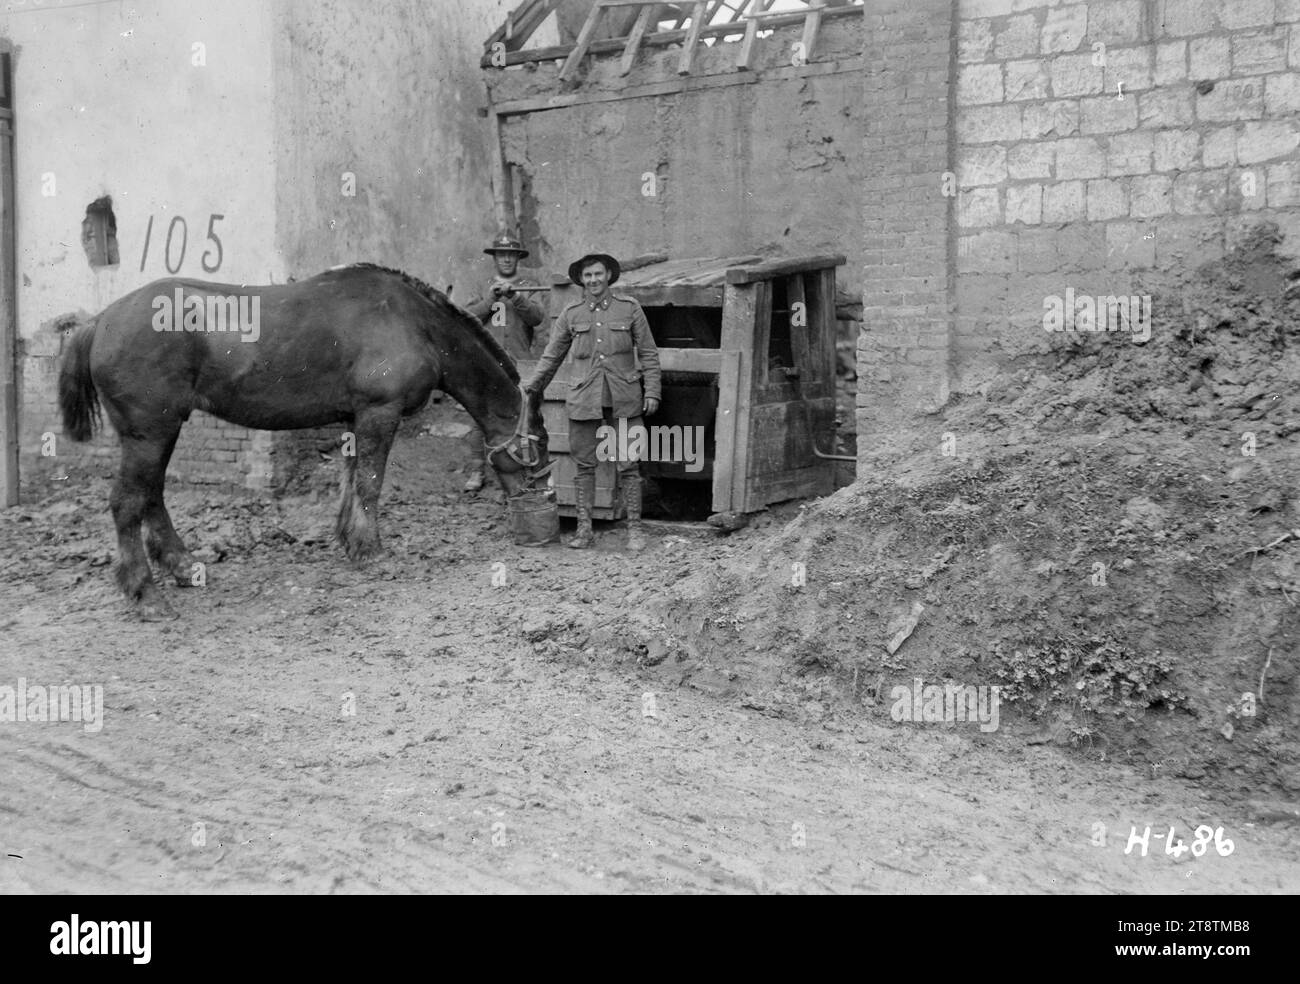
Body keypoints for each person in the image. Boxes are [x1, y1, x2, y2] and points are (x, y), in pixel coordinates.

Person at [523, 251, 660, 551]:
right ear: (581, 281)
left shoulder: (630, 309)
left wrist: (652, 392)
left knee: (629, 464)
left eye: (598, 274)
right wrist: (532, 386)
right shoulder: (572, 314)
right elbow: (552, 355)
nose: (593, 280)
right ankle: (584, 530)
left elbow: (649, 353)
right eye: (587, 276)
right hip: (585, 398)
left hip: (624, 397)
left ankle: (634, 530)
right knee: (584, 465)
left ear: (608, 275)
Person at [461, 233, 547, 492]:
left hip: (520, 361)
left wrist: (517, 297)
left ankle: (524, 468)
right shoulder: (482, 284)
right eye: (502, 255)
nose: (507, 259)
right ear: (495, 258)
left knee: (524, 415)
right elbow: (467, 316)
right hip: (488, 362)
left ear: (518, 258)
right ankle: (477, 470)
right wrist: (492, 299)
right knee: (481, 415)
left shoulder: (530, 284)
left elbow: (537, 317)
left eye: (512, 255)